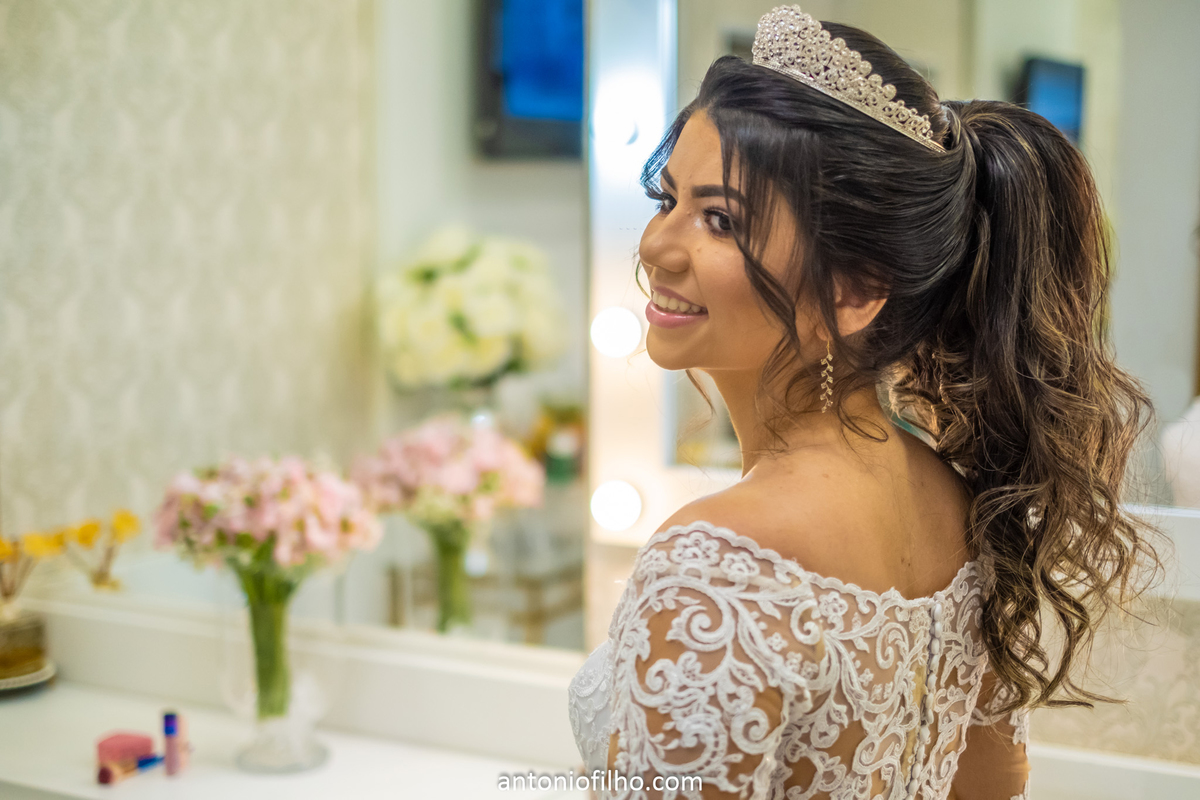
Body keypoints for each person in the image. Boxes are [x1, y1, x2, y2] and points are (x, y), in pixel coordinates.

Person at [568, 6, 1161, 800]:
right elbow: (992, 787)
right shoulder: (957, 504)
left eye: (719, 220)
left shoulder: (717, 564)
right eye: (665, 198)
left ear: (854, 291)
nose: (656, 245)